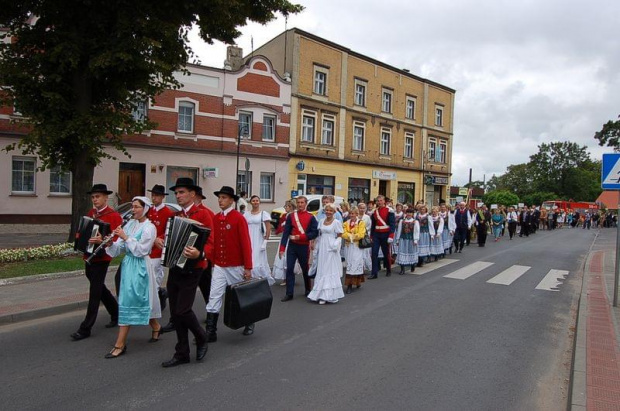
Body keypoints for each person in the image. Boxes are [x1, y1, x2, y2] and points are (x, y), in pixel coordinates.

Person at [160, 178, 211, 368]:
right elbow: (167, 237)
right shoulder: (175, 216)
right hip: (176, 266)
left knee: (183, 310)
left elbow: (211, 242)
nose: (178, 196)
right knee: (175, 312)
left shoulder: (204, 214)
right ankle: (182, 352)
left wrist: (200, 253)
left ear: (192, 194)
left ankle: (201, 336)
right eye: (177, 193)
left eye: (182, 192)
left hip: (193, 268)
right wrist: (160, 242)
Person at [104, 197, 161, 358]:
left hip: (140, 266)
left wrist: (125, 237)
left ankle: (120, 344)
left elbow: (141, 250)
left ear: (145, 209)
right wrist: (110, 244)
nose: (133, 210)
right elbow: (120, 249)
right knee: (137, 300)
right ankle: (156, 326)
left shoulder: (149, 228)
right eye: (132, 207)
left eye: (137, 207)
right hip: (128, 265)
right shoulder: (130, 224)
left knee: (129, 301)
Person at [70, 184, 122, 341]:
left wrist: (103, 241)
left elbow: (117, 239)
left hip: (102, 257)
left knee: (94, 292)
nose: (95, 199)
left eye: (98, 196)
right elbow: (83, 229)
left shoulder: (113, 215)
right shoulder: (91, 213)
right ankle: (116, 313)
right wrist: (80, 237)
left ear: (106, 198)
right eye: (93, 197)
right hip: (89, 255)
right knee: (100, 288)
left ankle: (85, 328)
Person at [205, 186, 254, 340]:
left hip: (236, 265)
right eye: (219, 197)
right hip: (219, 265)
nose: (220, 200)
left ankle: (249, 321)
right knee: (214, 295)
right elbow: (213, 242)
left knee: (241, 296)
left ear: (232, 200)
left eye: (224, 198)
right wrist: (212, 261)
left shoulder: (238, 218)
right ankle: (210, 331)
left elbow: (246, 244)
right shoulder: (215, 218)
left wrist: (248, 267)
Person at [146, 184, 175, 331]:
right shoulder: (149, 211)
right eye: (153, 195)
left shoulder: (167, 213)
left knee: (155, 276)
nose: (154, 198)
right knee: (148, 277)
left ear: (162, 197)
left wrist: (159, 238)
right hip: (147, 250)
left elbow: (167, 231)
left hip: (157, 250)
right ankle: (160, 296)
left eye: (157, 195)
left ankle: (155, 304)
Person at [280, 196, 319, 301]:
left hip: (303, 246)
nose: (300, 204)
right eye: (298, 202)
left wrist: (302, 237)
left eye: (302, 202)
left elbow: (314, 232)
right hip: (292, 246)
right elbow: (286, 233)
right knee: (289, 269)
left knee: (305, 269)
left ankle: (308, 289)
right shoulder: (291, 216)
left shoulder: (311, 217)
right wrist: (282, 248)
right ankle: (289, 293)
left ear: (306, 204)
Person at [307, 203, 344, 304]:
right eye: (327, 210)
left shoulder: (336, 222)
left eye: (330, 211)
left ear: (334, 212)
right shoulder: (321, 221)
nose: (328, 212)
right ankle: (320, 294)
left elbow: (340, 235)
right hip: (322, 246)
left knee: (329, 269)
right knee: (322, 268)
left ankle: (329, 295)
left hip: (331, 247)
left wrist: (335, 244)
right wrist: (314, 243)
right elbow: (318, 234)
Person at [244, 195, 275, 286]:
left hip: (259, 238)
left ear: (259, 202)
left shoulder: (264, 214)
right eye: (253, 200)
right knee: (250, 255)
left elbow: (268, 228)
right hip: (249, 237)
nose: (255, 202)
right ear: (250, 202)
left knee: (258, 257)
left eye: (257, 200)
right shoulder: (246, 214)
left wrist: (265, 241)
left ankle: (259, 277)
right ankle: (250, 276)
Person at [369, 195, 395, 279]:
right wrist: (371, 236)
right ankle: (374, 273)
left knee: (386, 253)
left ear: (384, 201)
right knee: (374, 253)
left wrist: (391, 236)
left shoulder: (389, 210)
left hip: (385, 234)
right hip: (376, 234)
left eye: (381, 200)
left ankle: (388, 269)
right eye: (378, 201)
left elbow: (392, 224)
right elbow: (373, 225)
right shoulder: (374, 211)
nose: (379, 202)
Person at [342, 206, 366, 293]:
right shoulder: (346, 223)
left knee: (356, 263)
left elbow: (361, 234)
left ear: (356, 214)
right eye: (350, 213)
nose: (351, 215)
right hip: (348, 247)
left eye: (353, 213)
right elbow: (343, 233)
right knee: (349, 264)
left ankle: (350, 285)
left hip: (357, 247)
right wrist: (350, 236)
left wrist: (350, 236)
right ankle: (354, 282)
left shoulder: (361, 223)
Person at [272, 200, 296, 286]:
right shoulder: (284, 216)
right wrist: (281, 227)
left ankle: (289, 277)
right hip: (285, 237)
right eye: (285, 206)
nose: (285, 208)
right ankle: (285, 278)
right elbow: (280, 226)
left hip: (291, 238)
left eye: (287, 206)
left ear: (291, 207)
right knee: (282, 257)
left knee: (289, 257)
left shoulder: (294, 215)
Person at [395, 208, 419, 274]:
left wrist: (415, 240)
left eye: (410, 213)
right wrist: (397, 240)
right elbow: (399, 231)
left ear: (412, 214)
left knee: (411, 252)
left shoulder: (415, 221)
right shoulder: (401, 221)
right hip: (403, 239)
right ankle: (402, 269)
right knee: (402, 252)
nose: (409, 214)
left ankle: (412, 265)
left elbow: (416, 231)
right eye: (407, 212)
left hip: (411, 239)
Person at [357, 202, 373, 273]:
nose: (362, 210)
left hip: (365, 236)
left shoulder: (367, 217)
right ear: (358, 208)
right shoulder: (356, 216)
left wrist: (363, 230)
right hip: (357, 236)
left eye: (363, 208)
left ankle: (367, 267)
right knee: (358, 252)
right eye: (360, 208)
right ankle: (360, 267)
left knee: (366, 252)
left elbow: (369, 226)